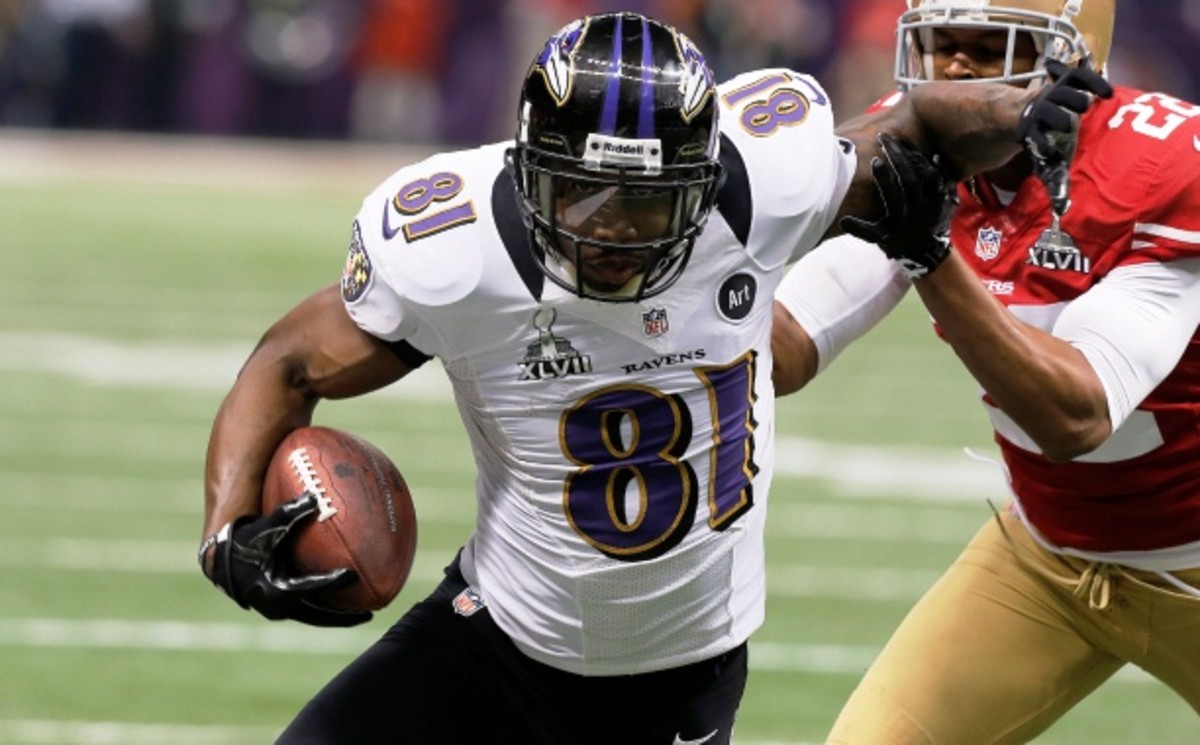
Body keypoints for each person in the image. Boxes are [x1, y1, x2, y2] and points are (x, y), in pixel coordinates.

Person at [198, 11, 1102, 743]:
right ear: (525, 172)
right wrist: (226, 532)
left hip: (677, 679)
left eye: (648, 199)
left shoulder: (764, 182)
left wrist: (1023, 113)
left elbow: (920, 130)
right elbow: (289, 361)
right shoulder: (456, 247)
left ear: (706, 178)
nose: (615, 229)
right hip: (497, 636)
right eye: (583, 194)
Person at [772, 0, 1200, 741]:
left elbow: (1077, 416)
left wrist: (928, 253)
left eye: (988, 49)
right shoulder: (918, 142)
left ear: (1075, 59)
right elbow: (786, 346)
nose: (956, 73)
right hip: (1045, 557)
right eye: (940, 46)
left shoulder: (1161, 166)